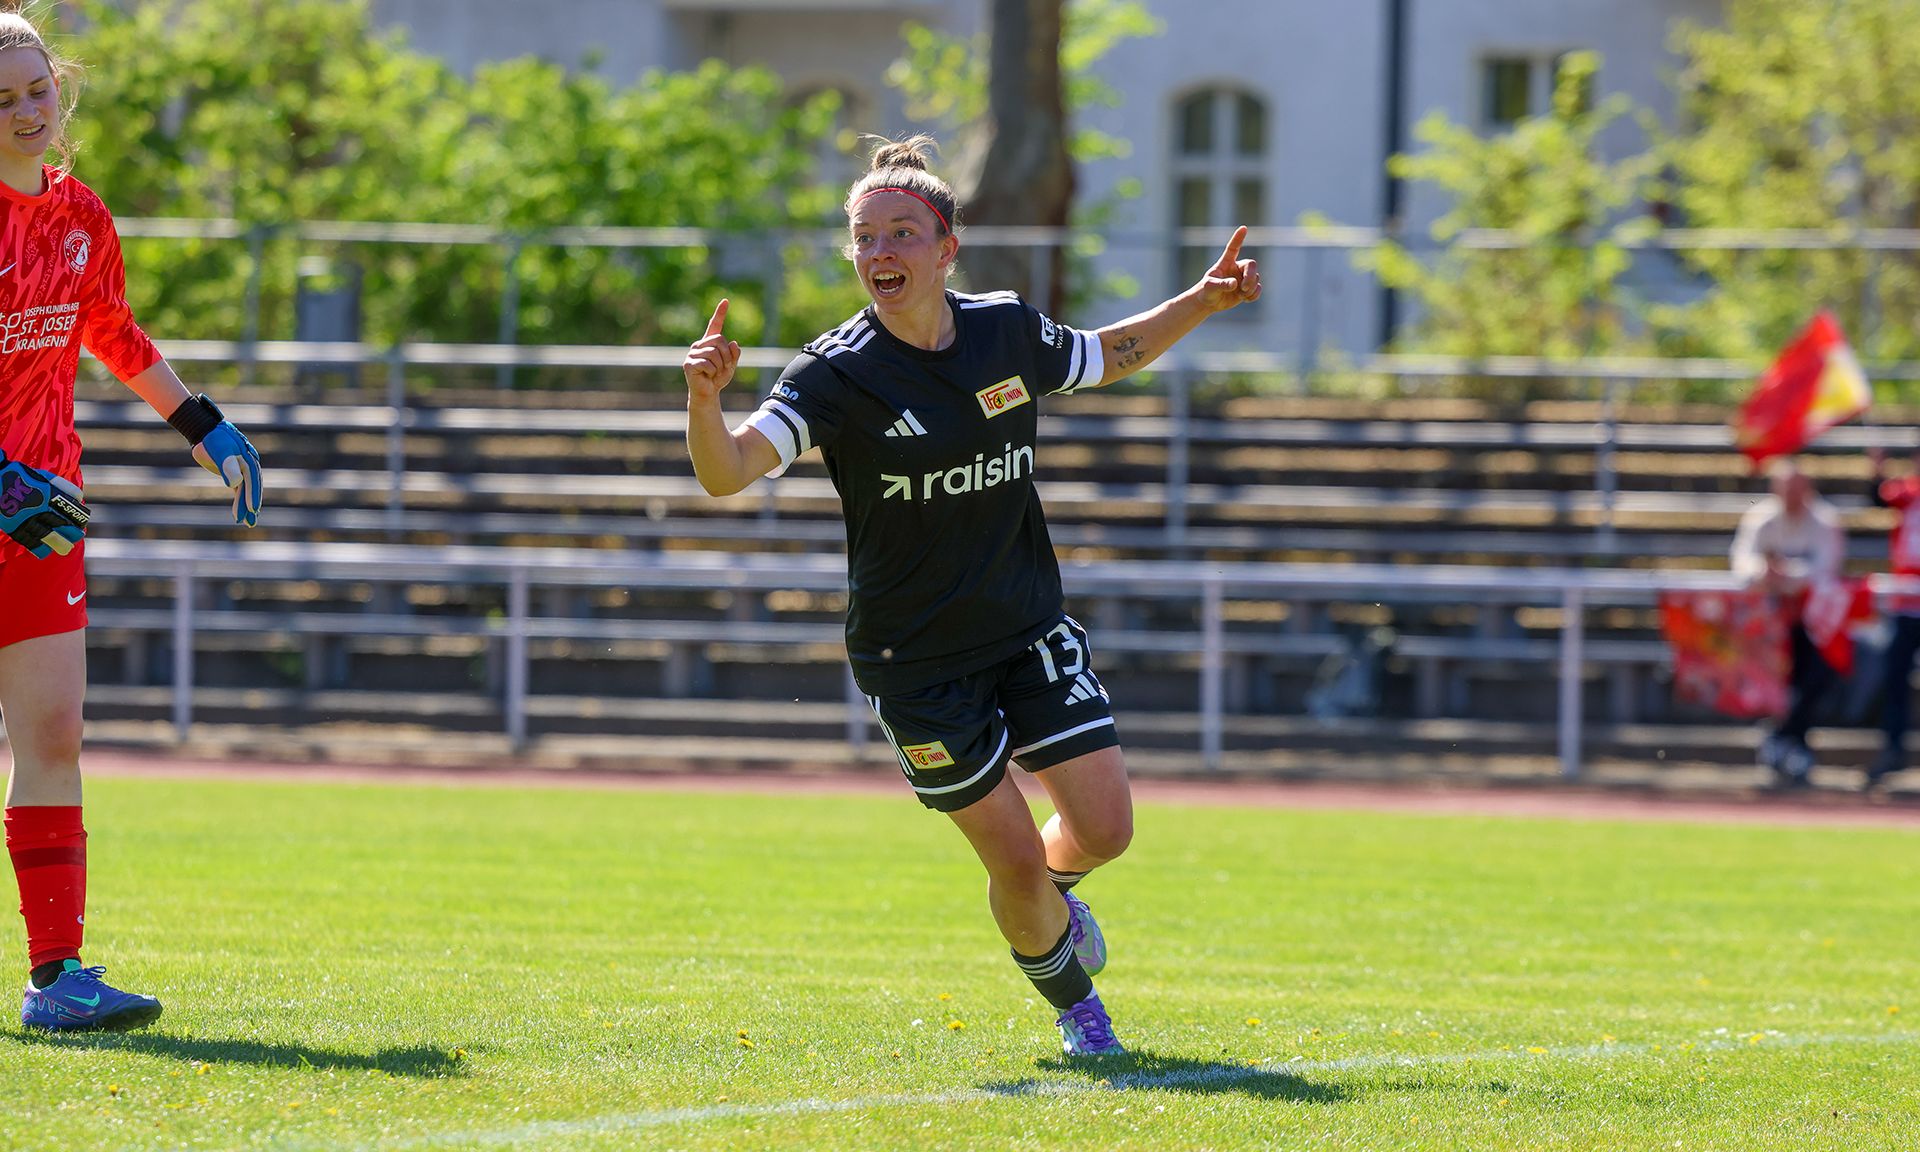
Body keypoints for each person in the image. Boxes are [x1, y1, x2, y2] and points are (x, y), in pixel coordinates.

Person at [683, 135, 1258, 1056]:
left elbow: (1109, 355)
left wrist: (1205, 296)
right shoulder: (834, 374)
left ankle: (1040, 902)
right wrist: (706, 402)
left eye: (902, 233)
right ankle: (1079, 1007)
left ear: (947, 248)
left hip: (1025, 627)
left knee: (1104, 831)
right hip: (917, 667)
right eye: (864, 237)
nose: (880, 253)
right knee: (1014, 862)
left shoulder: (1005, 331)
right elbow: (728, 473)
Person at [0, 9, 263, 1031]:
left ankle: (57, 978)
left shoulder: (78, 214)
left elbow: (108, 325)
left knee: (55, 731)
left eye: (38, 91)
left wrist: (203, 425)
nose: (28, 112)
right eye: (5, 99)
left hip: (44, 509)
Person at [1730, 458, 1844, 787]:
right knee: (1771, 681)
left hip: (1814, 623)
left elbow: (1826, 568)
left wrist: (1787, 575)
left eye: (1797, 488)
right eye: (1785, 488)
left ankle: (1783, 738)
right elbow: (1742, 560)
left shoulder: (1824, 521)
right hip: (1767, 623)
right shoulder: (1761, 519)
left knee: (1817, 678)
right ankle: (1787, 743)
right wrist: (1764, 574)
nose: (1792, 495)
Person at [1865, 444, 1920, 787]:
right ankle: (1893, 749)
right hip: (1907, 603)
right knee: (1895, 677)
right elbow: (1879, 496)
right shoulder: (1908, 493)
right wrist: (1877, 469)